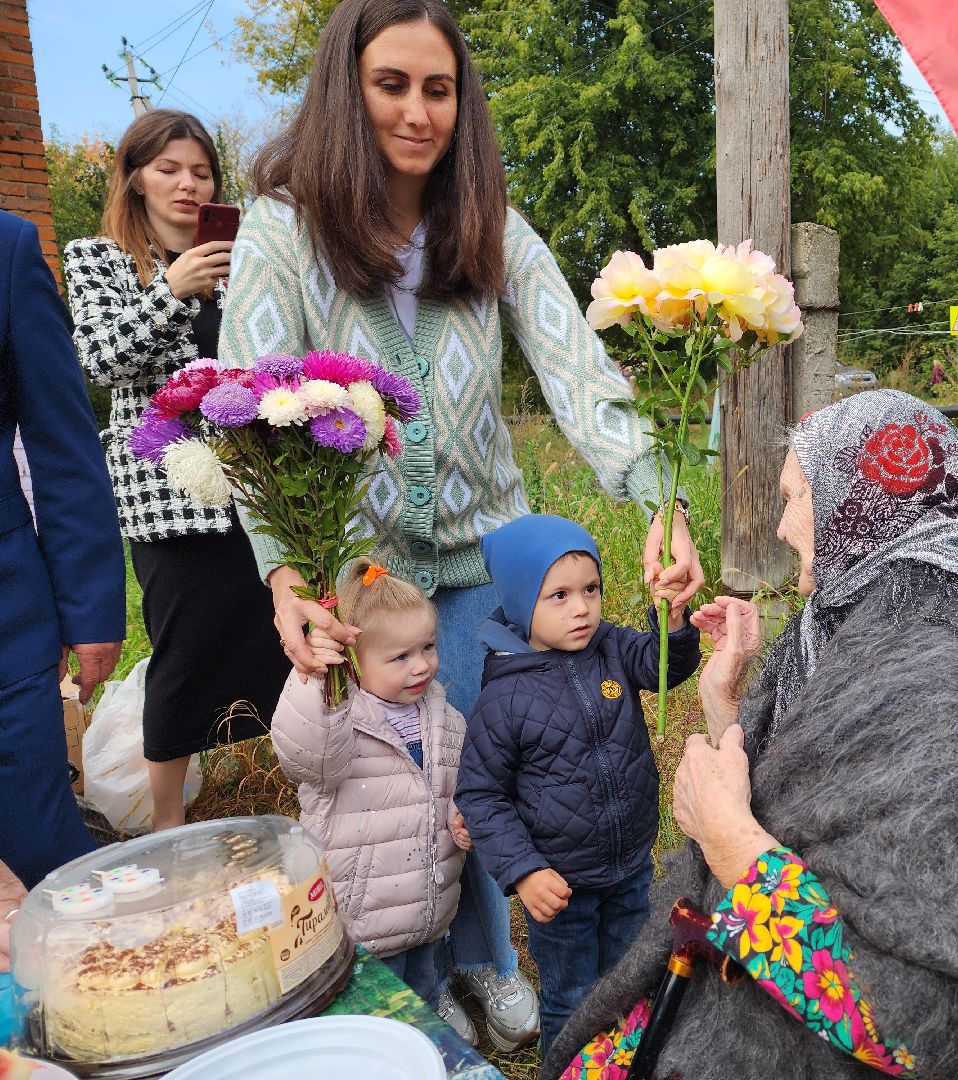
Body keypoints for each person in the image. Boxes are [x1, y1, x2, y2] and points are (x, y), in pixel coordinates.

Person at [218, 0, 703, 1050]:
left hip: (488, 560)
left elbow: (579, 372)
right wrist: (283, 577)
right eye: (392, 84)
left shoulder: (489, 226)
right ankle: (408, 972)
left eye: (439, 88)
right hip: (365, 577)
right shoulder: (282, 230)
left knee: (483, 771)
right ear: (348, 90)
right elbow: (253, 401)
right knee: (384, 784)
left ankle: (488, 963)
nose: (417, 110)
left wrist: (658, 496)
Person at [545, 390, 958, 1079]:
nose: (783, 528)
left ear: (860, 500)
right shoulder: (866, 613)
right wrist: (727, 705)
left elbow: (924, 1012)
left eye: (795, 497)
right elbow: (821, 813)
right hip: (765, 996)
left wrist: (729, 844)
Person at [64, 110, 291, 833]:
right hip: (167, 492)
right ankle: (167, 821)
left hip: (254, 485)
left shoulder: (241, 258)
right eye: (168, 169)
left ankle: (292, 775)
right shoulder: (97, 259)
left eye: (200, 171)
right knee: (187, 648)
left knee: (278, 633)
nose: (188, 184)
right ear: (134, 178)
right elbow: (101, 359)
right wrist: (171, 290)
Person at [456, 515, 701, 1054]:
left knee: (629, 980)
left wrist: (674, 621)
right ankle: (566, 1064)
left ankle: (623, 1062)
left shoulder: (611, 647)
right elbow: (481, 795)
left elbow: (664, 665)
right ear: (523, 605)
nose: (582, 608)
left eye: (590, 590)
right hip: (559, 886)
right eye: (559, 596)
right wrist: (523, 871)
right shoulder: (504, 698)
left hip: (630, 864)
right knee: (571, 997)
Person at [270, 559, 470, 1004]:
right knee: (368, 1004)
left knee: (421, 987)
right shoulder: (337, 719)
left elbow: (459, 780)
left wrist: (464, 813)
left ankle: (432, 1007)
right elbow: (305, 756)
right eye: (400, 657)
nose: (421, 667)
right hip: (360, 920)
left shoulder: (442, 714)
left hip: (427, 906)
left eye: (427, 647)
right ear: (352, 661)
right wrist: (317, 679)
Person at [0, 210, 126, 888]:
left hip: (6, 627)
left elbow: (61, 443)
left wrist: (90, 610)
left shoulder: (8, 249)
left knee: (39, 860)